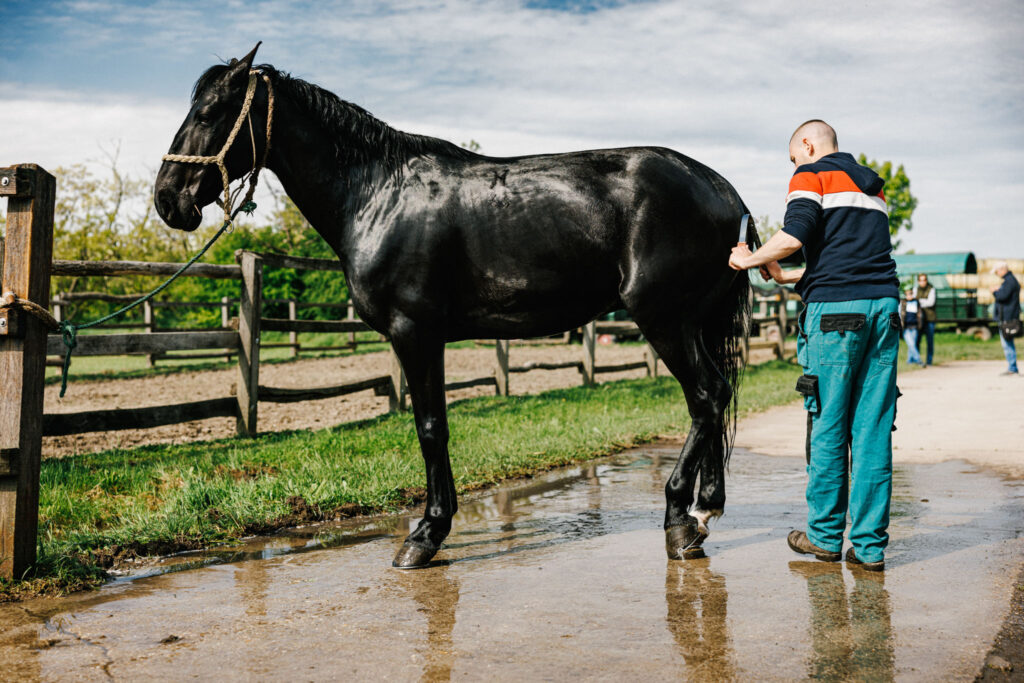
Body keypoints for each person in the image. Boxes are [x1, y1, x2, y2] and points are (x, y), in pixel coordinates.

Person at [729, 119, 899, 572]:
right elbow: (851, 264)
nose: (794, 165)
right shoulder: (873, 189)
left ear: (807, 144)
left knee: (827, 424)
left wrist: (750, 259)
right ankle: (869, 549)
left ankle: (824, 538)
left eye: (793, 157)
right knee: (873, 430)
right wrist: (787, 277)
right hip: (884, 311)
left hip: (837, 321)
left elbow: (795, 234)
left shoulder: (811, 174)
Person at [991, 261, 1021, 375]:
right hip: (1008, 316)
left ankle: (1012, 368)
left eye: (997, 272)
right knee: (1008, 342)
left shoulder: (1009, 282)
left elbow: (1002, 297)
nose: (997, 274)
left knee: (1007, 343)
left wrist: (995, 292)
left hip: (1007, 317)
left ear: (1002, 269)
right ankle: (1012, 366)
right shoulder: (1010, 281)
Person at [914, 274, 937, 365]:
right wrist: (924, 301)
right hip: (919, 319)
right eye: (921, 280)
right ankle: (917, 360)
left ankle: (929, 361)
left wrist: (920, 301)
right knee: (917, 340)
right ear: (918, 281)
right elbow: (915, 301)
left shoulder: (931, 289)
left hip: (929, 319)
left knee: (930, 341)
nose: (923, 282)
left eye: (924, 280)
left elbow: (931, 302)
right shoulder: (916, 289)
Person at [899, 287, 924, 365]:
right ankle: (918, 360)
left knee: (912, 344)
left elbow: (919, 314)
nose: (909, 295)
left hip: (914, 327)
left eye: (910, 294)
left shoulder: (916, 302)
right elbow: (900, 314)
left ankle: (909, 361)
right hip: (906, 327)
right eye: (907, 294)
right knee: (911, 344)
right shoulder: (902, 303)